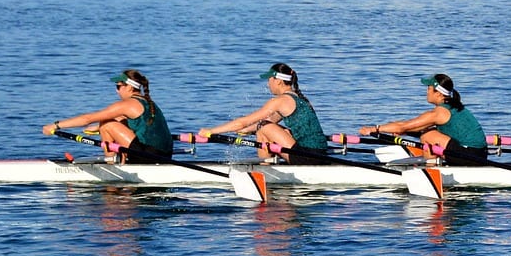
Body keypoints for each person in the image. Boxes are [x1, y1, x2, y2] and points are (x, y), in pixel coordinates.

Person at [43, 69, 173, 163]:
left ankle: (112, 162)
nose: (116, 90)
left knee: (107, 124)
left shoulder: (127, 104)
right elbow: (127, 121)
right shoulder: (148, 103)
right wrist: (97, 127)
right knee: (105, 124)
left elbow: (87, 119)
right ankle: (119, 157)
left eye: (118, 86)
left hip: (149, 156)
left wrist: (56, 125)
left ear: (129, 88)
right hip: (165, 154)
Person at [200, 62, 328, 158]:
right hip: (321, 153)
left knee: (262, 127)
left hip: (307, 156)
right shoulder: (300, 98)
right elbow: (269, 120)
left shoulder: (280, 101)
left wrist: (211, 131)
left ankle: (265, 169)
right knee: (265, 127)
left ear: (278, 81)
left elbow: (243, 122)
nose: (268, 84)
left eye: (269, 79)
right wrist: (244, 131)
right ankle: (269, 164)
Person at [362, 73, 487, 162]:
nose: (426, 92)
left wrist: (374, 129)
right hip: (479, 153)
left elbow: (401, 127)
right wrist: (405, 131)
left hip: (471, 156)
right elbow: (409, 126)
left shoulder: (439, 113)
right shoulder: (452, 106)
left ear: (438, 94)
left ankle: (431, 168)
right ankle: (434, 161)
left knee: (427, 136)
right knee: (428, 132)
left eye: (429, 89)